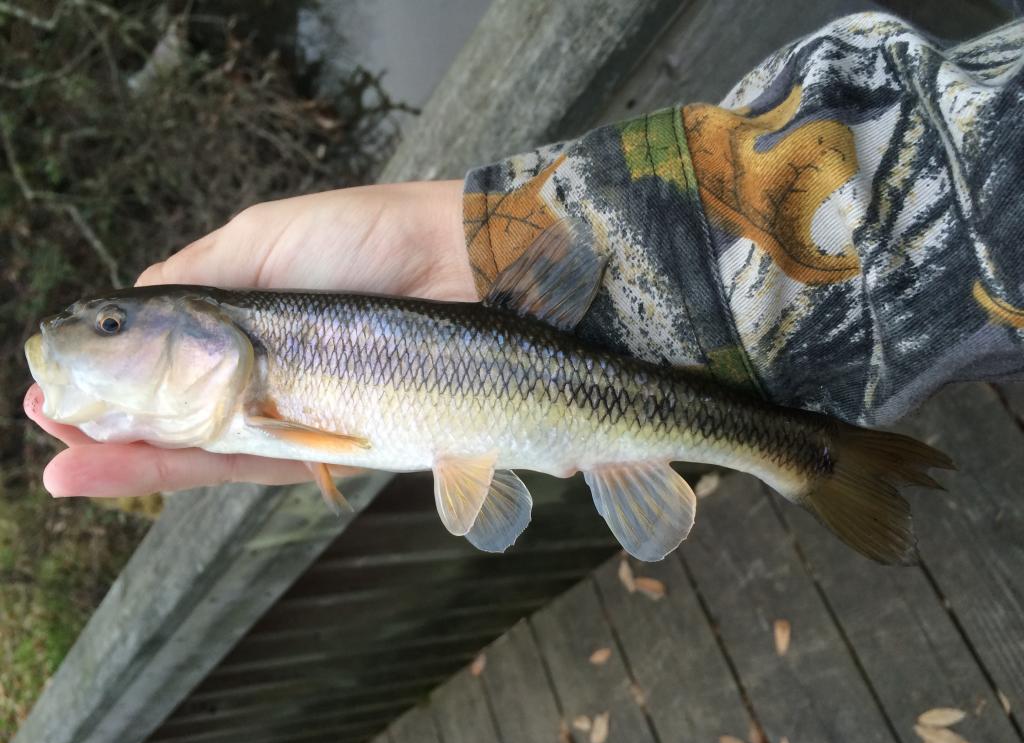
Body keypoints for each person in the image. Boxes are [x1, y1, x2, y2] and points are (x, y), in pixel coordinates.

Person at [25, 12, 1024, 500]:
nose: (96, 333)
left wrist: (445, 238)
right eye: (107, 325)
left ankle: (805, 456)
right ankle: (801, 453)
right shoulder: (254, 398)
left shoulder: (263, 379)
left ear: (200, 326)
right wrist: (456, 234)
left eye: (113, 323)